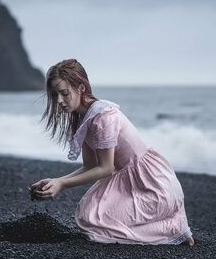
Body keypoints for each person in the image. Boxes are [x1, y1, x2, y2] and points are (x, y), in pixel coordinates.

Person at [30, 59, 194, 246]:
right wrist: (56, 181)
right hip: (131, 183)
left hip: (153, 186)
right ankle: (166, 224)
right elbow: (91, 166)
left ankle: (174, 227)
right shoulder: (83, 117)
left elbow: (106, 168)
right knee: (88, 217)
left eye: (64, 93)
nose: (59, 101)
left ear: (81, 88)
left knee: (93, 224)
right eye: (55, 95)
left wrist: (62, 184)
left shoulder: (103, 117)